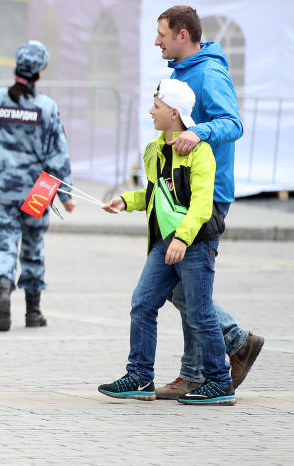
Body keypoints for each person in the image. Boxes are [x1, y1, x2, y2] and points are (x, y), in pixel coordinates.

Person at [99, 78, 233, 405]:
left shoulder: (201, 154)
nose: (150, 111)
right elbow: (155, 195)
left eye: (156, 106)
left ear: (174, 113)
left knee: (200, 312)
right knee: (143, 303)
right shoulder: (155, 150)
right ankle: (140, 377)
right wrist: (125, 201)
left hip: (194, 243)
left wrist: (183, 239)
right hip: (164, 242)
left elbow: (202, 205)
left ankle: (220, 382)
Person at [153, 5, 263, 398]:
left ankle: (229, 344)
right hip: (180, 190)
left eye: (162, 34)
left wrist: (199, 134)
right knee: (179, 282)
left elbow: (233, 123)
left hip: (207, 192)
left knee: (180, 284)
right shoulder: (182, 72)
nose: (156, 41)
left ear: (183, 34)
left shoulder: (209, 71)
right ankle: (196, 370)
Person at [0, 41, 76, 332]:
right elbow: (59, 152)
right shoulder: (46, 107)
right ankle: (33, 311)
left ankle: (4, 286)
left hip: (1, 185)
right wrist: (65, 194)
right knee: (32, 244)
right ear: (41, 71)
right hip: (37, 189)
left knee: (4, 241)